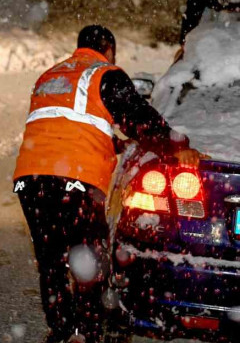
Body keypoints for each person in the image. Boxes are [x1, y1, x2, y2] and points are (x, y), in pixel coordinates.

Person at [13, 25, 200, 343]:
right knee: (89, 259)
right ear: (109, 50)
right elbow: (138, 117)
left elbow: (66, 126)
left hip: (29, 179)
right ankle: (86, 331)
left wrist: (113, 145)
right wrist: (175, 143)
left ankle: (62, 330)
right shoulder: (104, 73)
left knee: (51, 258)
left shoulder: (51, 76)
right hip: (74, 180)